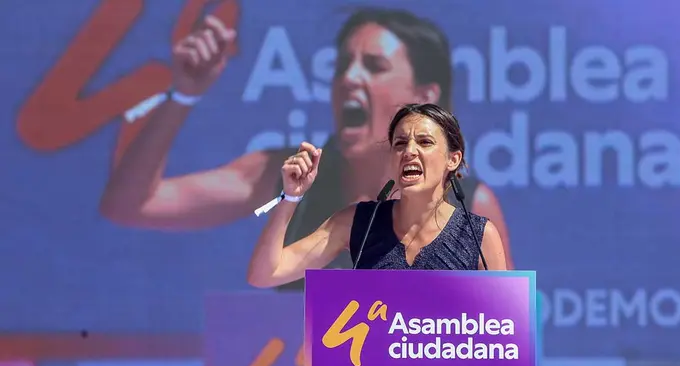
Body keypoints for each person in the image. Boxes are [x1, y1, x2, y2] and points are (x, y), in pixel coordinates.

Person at [99, 8, 514, 290]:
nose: (349, 78)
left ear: (425, 95)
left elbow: (503, 334)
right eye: (341, 66)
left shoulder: (474, 216)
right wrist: (184, 96)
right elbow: (131, 204)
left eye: (373, 66)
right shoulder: (304, 186)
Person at [247, 103, 506, 287]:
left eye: (425, 142)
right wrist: (291, 198)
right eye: (400, 143)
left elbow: (502, 334)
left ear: (453, 159)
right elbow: (265, 274)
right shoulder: (358, 222)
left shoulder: (479, 235)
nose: (409, 152)